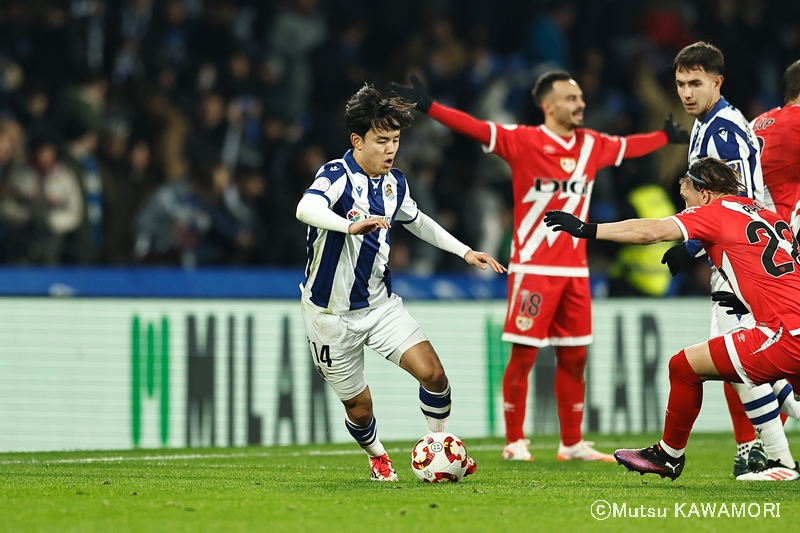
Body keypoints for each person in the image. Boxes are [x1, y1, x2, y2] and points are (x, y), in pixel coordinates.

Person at [388, 71, 688, 462]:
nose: (580, 104)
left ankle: (572, 443)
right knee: (524, 356)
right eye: (570, 99)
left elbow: (628, 147)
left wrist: (663, 138)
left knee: (575, 357)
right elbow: (476, 128)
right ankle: (515, 442)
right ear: (548, 106)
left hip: (575, 272)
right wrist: (430, 107)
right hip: (534, 269)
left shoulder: (592, 144)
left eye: (580, 98)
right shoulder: (523, 140)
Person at [295, 84, 506, 481]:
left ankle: (438, 448)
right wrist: (348, 224)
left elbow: (418, 220)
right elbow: (305, 207)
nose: (390, 149)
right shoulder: (337, 175)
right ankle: (377, 456)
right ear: (357, 141)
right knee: (359, 408)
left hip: (379, 306)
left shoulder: (395, 183)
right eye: (381, 141)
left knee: (435, 375)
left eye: (395, 140)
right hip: (329, 315)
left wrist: (464, 251)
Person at [543, 157, 800, 481]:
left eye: (687, 197)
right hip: (790, 324)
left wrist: (587, 230)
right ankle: (780, 463)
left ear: (705, 193)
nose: (685, 207)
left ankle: (670, 455)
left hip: (785, 331)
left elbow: (649, 230)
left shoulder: (714, 212)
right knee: (785, 394)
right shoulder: (767, 213)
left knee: (684, 366)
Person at [661, 42, 800, 480]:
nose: (686, 92)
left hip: (744, 257)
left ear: (717, 82)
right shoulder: (708, 124)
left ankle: (770, 456)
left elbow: (732, 203)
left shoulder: (723, 129)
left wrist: (689, 245)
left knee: (736, 356)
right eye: (681, 83)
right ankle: (763, 452)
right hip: (743, 252)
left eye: (695, 83)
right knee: (743, 358)